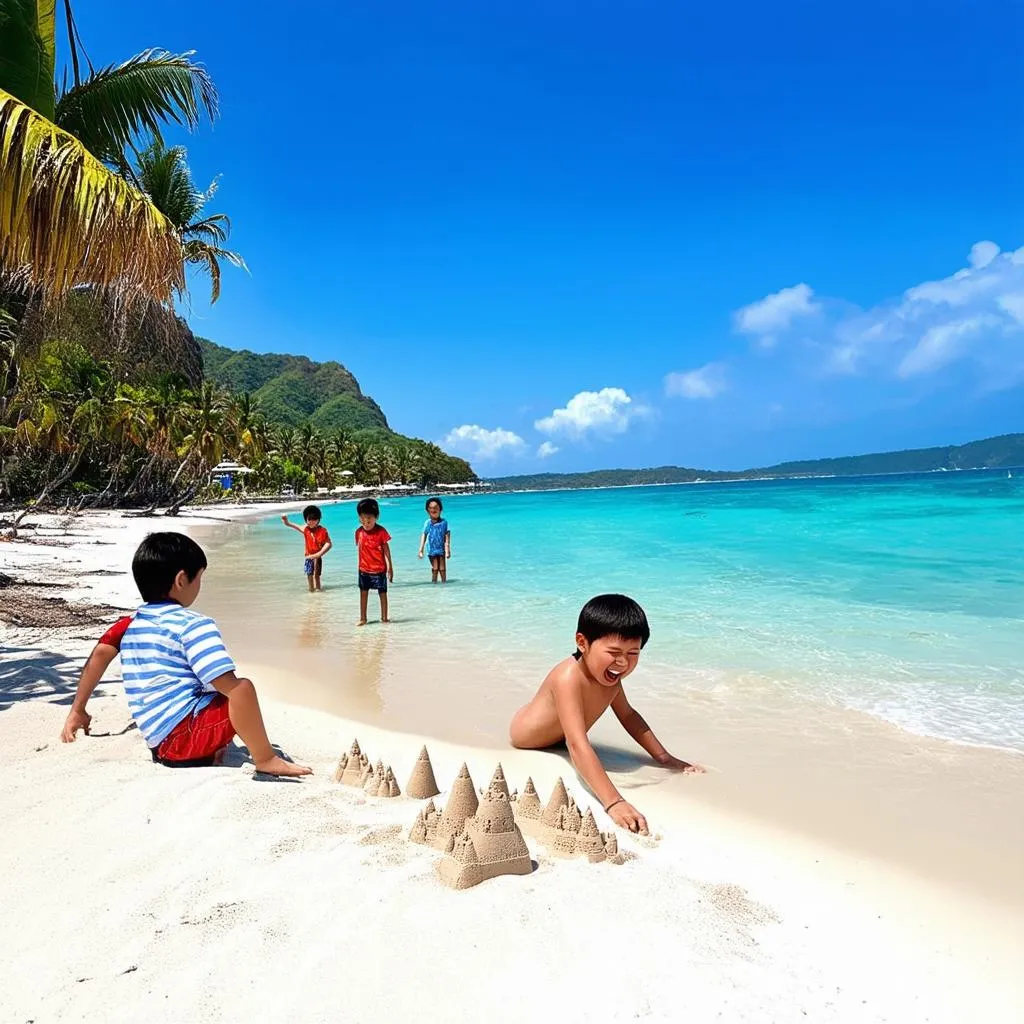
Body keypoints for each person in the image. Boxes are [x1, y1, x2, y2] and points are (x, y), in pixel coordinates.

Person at [64, 532, 311, 777]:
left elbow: (100, 655)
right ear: (181, 580)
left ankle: (209, 748)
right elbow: (228, 686)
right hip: (185, 741)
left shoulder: (129, 624)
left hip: (158, 742)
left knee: (211, 689)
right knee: (241, 689)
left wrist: (78, 710)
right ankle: (266, 760)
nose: (200, 586)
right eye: (199, 578)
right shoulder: (193, 625)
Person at [509, 594, 703, 833]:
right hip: (528, 737)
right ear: (582, 642)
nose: (623, 662)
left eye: (633, 654)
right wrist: (614, 802)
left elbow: (629, 716)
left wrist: (664, 758)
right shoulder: (568, 677)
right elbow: (576, 742)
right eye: (614, 652)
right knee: (574, 735)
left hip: (556, 736)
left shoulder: (610, 680)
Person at [60, 615, 133, 743]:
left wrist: (77, 708)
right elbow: (103, 649)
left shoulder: (134, 622)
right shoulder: (176, 620)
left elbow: (102, 649)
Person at [355, 498, 393, 625]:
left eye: (369, 519)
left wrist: (390, 567)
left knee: (382, 594)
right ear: (359, 517)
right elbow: (360, 550)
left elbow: (386, 551)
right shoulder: (358, 532)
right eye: (363, 519)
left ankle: (384, 618)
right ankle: (363, 618)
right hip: (363, 569)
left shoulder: (381, 532)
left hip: (379, 569)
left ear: (376, 517)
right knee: (363, 593)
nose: (366, 522)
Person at [281, 505, 333, 592]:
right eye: (309, 520)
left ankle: (318, 591)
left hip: (317, 557)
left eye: (314, 519)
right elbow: (291, 525)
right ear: (306, 520)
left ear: (319, 520)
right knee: (309, 575)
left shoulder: (322, 531)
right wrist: (285, 521)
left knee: (316, 576)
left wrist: (319, 554)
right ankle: (311, 590)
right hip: (308, 557)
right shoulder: (305, 529)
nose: (312, 522)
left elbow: (329, 543)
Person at [417, 497, 452, 583]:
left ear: (440, 509)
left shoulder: (444, 522)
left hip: (441, 549)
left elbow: (447, 535)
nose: (433, 510)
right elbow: (424, 534)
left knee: (442, 569)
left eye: (436, 508)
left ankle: (444, 584)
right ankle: (434, 585)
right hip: (431, 549)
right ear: (427, 511)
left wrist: (447, 550)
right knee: (435, 568)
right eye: (431, 508)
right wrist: (420, 550)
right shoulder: (428, 523)